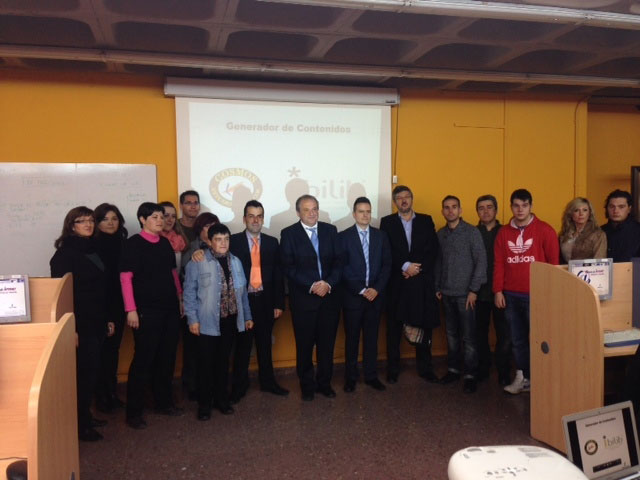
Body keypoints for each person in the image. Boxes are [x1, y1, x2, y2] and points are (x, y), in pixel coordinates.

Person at [119, 202, 184, 429]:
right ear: (142, 220)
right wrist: (131, 309)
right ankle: (134, 412)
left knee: (167, 357)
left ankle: (163, 403)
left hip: (169, 308)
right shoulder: (133, 244)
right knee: (143, 360)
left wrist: (179, 298)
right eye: (155, 217)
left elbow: (172, 273)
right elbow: (125, 278)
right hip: (146, 311)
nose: (160, 220)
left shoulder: (165, 243)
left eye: (161, 217)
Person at [183, 223, 253, 420]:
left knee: (223, 363)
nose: (223, 243)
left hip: (230, 321)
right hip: (207, 322)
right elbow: (189, 294)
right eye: (218, 239)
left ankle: (221, 400)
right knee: (205, 365)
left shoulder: (236, 262)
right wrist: (192, 319)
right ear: (210, 241)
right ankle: (204, 405)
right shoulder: (197, 262)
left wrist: (247, 317)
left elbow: (243, 293)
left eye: (226, 239)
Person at [50, 206, 108, 442]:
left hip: (96, 320)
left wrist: (107, 319)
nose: (88, 224)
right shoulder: (64, 255)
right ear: (71, 226)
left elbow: (100, 288)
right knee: (83, 375)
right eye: (82, 221)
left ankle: (85, 416)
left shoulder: (94, 249)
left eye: (91, 220)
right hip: (79, 324)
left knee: (92, 372)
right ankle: (80, 426)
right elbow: (62, 295)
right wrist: (70, 328)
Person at [494, 189, 559, 395]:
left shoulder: (545, 230)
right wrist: (498, 290)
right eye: (516, 205)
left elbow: (554, 264)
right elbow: (499, 263)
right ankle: (523, 378)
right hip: (511, 296)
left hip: (537, 295)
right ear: (511, 207)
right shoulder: (503, 233)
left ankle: (543, 379)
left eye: (524, 205)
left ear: (531, 206)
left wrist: (549, 293)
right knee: (517, 340)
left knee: (541, 340)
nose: (520, 209)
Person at [280, 194, 342, 401]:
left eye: (315, 208)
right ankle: (307, 386)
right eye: (306, 209)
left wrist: (328, 283)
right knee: (305, 346)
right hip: (304, 302)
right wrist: (313, 285)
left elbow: (339, 262)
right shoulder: (288, 234)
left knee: (327, 346)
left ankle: (325, 384)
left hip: (329, 300)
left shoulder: (330, 230)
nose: (312, 213)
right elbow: (288, 267)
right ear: (298, 212)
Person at [229, 200, 288, 402]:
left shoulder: (272, 242)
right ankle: (239, 386)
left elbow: (278, 274)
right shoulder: (233, 241)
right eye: (251, 216)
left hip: (265, 300)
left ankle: (268, 382)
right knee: (242, 346)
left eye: (259, 216)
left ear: (263, 219)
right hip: (243, 302)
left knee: (265, 344)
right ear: (244, 218)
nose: (255, 220)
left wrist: (279, 303)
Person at [380, 185, 439, 384]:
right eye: (399, 197)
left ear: (412, 199)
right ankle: (393, 369)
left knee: (424, 327)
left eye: (407, 196)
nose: (404, 200)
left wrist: (417, 268)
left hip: (421, 283)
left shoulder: (426, 220)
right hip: (398, 283)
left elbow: (433, 250)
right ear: (394, 202)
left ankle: (425, 368)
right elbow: (386, 250)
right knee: (394, 329)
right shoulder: (387, 222)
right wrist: (405, 266)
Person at [338, 196, 391, 393]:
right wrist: (361, 289)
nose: (365, 215)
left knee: (371, 338)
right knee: (352, 339)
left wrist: (376, 289)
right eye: (361, 211)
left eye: (368, 211)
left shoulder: (381, 236)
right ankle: (350, 378)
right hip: (353, 297)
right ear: (354, 214)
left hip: (375, 297)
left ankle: (371, 376)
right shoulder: (343, 237)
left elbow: (387, 265)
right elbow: (342, 267)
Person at [435, 195, 486, 394]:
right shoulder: (441, 234)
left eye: (454, 207)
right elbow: (438, 262)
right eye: (447, 207)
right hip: (446, 293)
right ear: (442, 211)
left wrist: (474, 290)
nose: (450, 211)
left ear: (460, 210)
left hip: (466, 295)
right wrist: (437, 286)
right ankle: (453, 370)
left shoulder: (472, 232)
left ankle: (471, 375)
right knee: (451, 335)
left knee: (469, 337)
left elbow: (481, 262)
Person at [93, 203, 128, 414]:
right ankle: (101, 396)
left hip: (120, 304)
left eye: (114, 219)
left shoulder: (124, 244)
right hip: (101, 307)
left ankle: (112, 393)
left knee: (113, 351)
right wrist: (105, 315)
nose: (110, 223)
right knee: (101, 352)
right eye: (105, 219)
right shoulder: (92, 246)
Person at [181, 211, 219, 399]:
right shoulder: (192, 250)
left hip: (216, 311)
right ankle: (193, 388)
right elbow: (186, 281)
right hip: (197, 310)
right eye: (207, 226)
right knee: (194, 353)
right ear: (199, 229)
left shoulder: (222, 247)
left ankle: (211, 388)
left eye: (214, 225)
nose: (211, 229)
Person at [474, 195, 511, 386]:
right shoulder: (473, 233)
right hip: (478, 292)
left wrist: (502, 289)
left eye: (489, 207)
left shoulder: (506, 232)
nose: (486, 211)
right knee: (479, 334)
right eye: (481, 208)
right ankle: (483, 368)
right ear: (477, 212)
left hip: (501, 292)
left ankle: (504, 372)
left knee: (504, 334)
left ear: (496, 210)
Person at [558, 197, 607, 263]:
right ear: (570, 214)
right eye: (576, 210)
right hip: (566, 269)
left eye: (585, 210)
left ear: (590, 213)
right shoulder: (564, 234)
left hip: (589, 269)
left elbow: (599, 261)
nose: (581, 214)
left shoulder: (598, 235)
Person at [601, 189, 640, 262]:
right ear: (607, 208)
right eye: (612, 206)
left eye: (621, 207)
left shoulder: (638, 231)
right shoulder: (600, 231)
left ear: (629, 209)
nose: (615, 211)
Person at [159, 201, 188, 268]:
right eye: (166, 216)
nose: (170, 220)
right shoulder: (151, 239)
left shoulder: (180, 239)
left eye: (173, 216)